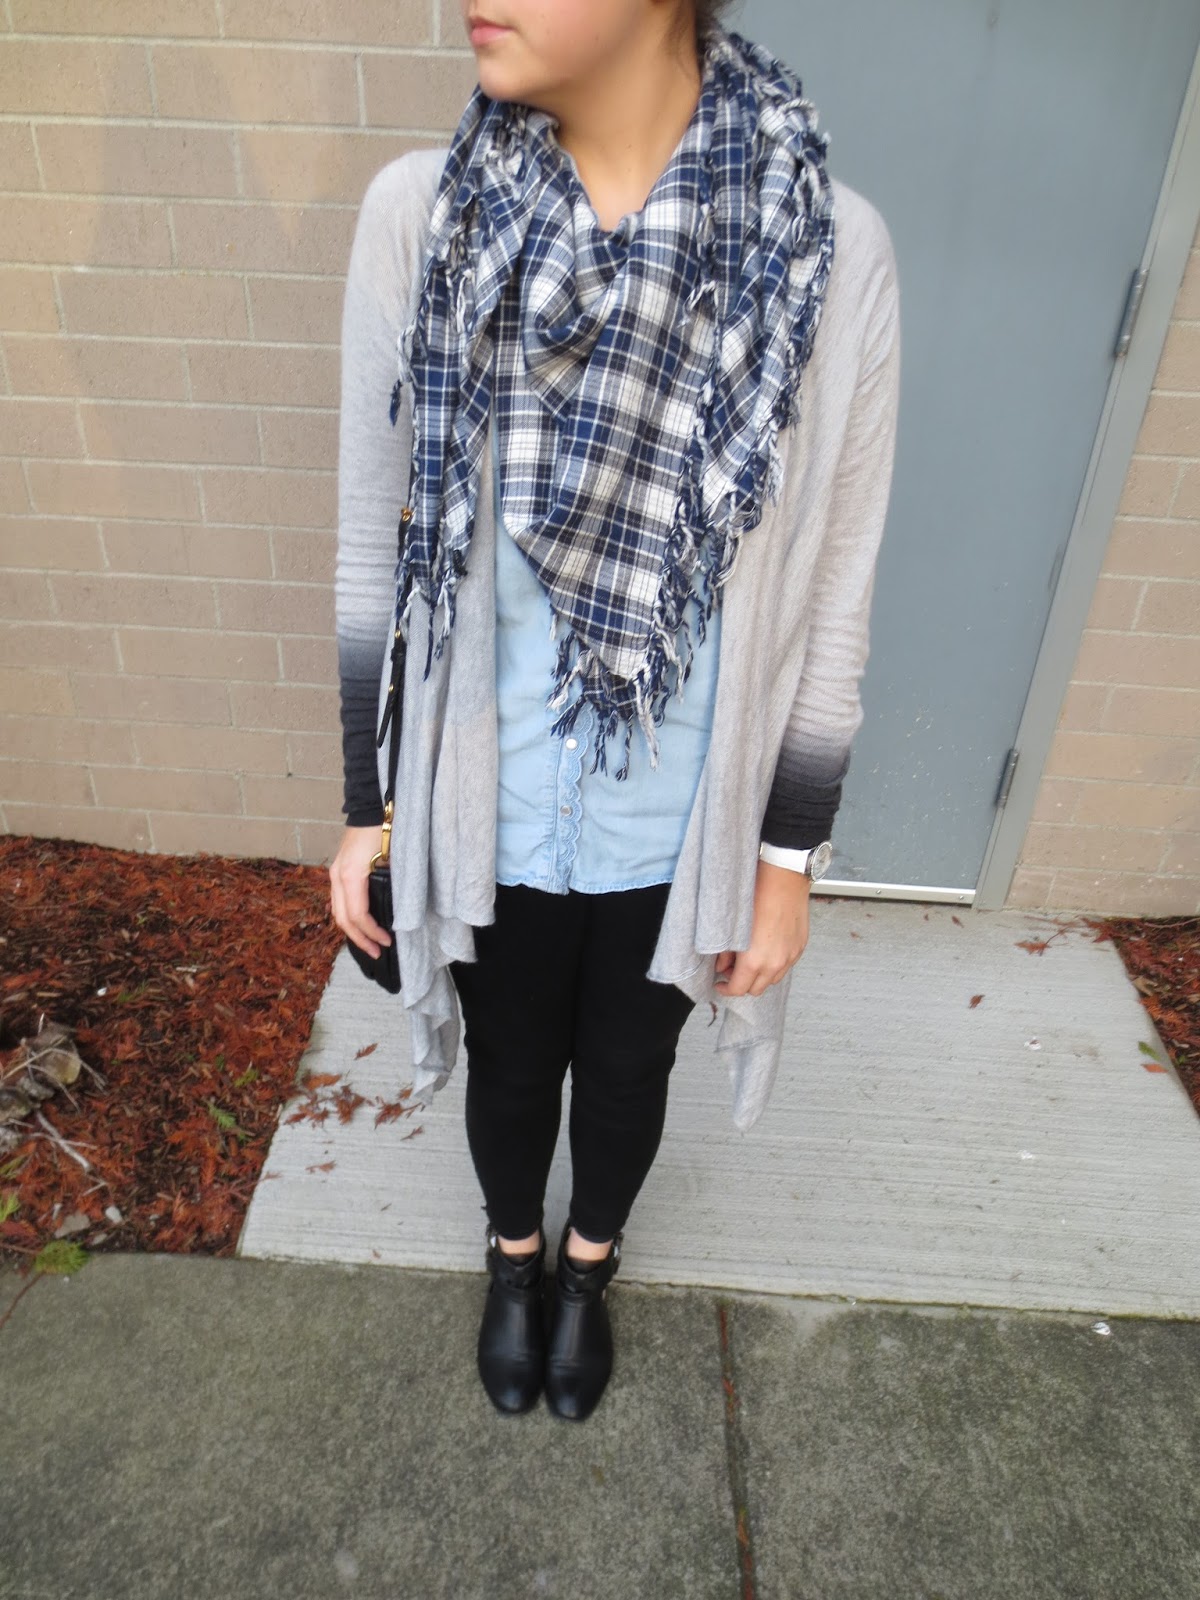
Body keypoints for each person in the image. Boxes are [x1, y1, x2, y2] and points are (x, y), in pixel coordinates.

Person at [329, 0, 900, 1422]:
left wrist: (786, 861)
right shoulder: (425, 217)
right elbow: (371, 546)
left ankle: (588, 1267)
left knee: (633, 1071)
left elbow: (836, 586)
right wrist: (366, 805)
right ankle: (513, 1258)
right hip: (490, 799)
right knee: (514, 1064)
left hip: (681, 813)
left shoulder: (825, 253)